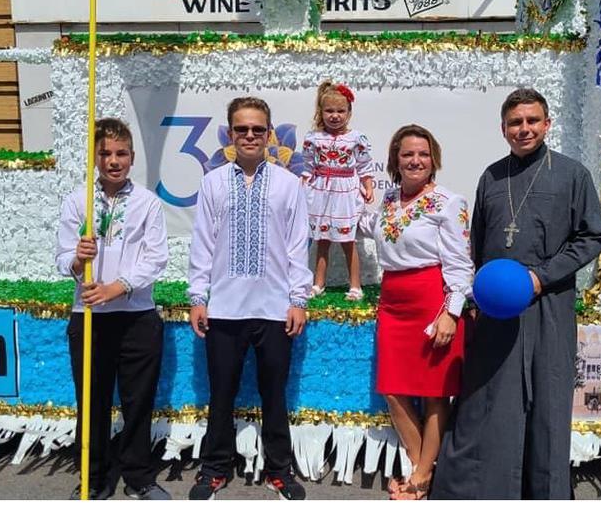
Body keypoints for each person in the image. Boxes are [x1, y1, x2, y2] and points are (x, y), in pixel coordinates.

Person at [431, 88, 601, 499]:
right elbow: (479, 242)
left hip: (548, 306)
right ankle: (483, 493)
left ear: (547, 124)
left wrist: (540, 278)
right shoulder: (492, 177)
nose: (524, 129)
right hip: (497, 313)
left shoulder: (572, 175)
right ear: (503, 128)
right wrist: (475, 300)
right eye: (515, 122)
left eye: (532, 121)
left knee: (547, 404)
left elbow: (591, 236)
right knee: (491, 401)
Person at [187, 97, 313, 500]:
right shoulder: (211, 182)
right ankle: (214, 469)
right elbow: (202, 244)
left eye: (258, 129)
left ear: (270, 133)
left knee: (273, 395)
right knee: (220, 393)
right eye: (242, 129)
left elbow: (298, 247)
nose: (250, 136)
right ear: (229, 134)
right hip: (223, 308)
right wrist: (197, 296)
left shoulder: (288, 184)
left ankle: (280, 470)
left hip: (275, 309)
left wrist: (298, 300)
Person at [55, 117, 171, 500]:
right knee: (93, 401)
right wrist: (77, 259)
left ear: (132, 157)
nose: (113, 161)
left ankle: (138, 475)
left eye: (121, 153)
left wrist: (117, 288)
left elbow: (156, 258)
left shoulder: (148, 203)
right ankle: (94, 475)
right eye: (105, 153)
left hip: (137, 316)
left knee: (138, 401)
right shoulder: (77, 201)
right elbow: (61, 260)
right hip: (88, 317)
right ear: (95, 157)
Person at [358, 124, 473, 500]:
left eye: (422, 154)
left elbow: (460, 264)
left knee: (436, 393)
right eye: (407, 154)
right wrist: (357, 201)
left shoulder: (447, 202)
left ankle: (420, 478)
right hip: (393, 301)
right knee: (393, 389)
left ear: (433, 159)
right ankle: (421, 463)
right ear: (395, 160)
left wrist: (450, 313)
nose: (415, 160)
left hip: (430, 300)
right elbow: (371, 232)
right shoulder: (388, 200)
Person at [301, 81, 375, 301]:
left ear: (349, 113)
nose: (335, 116)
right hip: (322, 190)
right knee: (321, 239)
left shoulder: (356, 138)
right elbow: (307, 165)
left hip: (345, 191)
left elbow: (364, 165)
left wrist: (368, 185)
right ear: (321, 112)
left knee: (348, 240)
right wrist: (303, 184)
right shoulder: (313, 138)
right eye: (329, 111)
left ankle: (355, 285)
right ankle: (318, 283)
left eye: (340, 111)